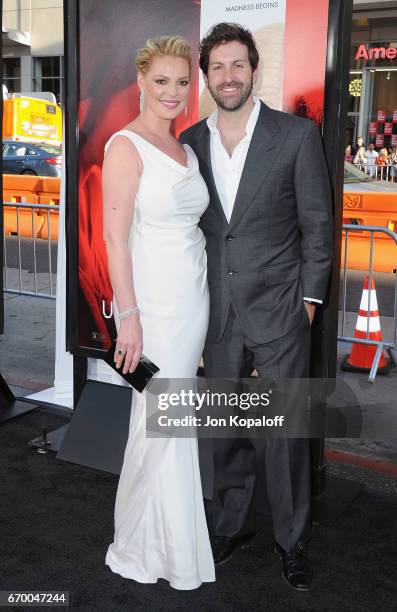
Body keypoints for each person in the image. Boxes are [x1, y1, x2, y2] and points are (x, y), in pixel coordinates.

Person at [181, 23, 333, 592]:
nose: (228, 77)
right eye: (217, 67)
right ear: (206, 75)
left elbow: (318, 226)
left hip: (282, 310)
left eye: (238, 65)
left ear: (254, 70)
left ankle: (292, 542)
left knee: (285, 434)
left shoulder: (294, 136)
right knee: (224, 431)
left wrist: (310, 303)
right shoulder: (190, 142)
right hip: (217, 313)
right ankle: (231, 525)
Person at [102, 36, 215, 590]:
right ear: (141, 83)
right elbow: (115, 241)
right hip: (155, 306)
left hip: (193, 298)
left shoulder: (187, 150)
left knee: (172, 422)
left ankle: (164, 541)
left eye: (181, 82)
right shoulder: (125, 146)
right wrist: (129, 316)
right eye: (162, 81)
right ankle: (154, 550)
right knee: (160, 424)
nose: (173, 92)